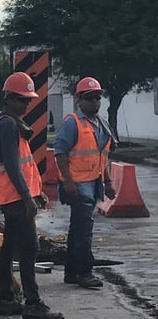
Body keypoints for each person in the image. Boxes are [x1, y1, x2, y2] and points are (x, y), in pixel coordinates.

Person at [0, 72, 64, 319]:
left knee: (10, 247)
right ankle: (32, 303)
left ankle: (8, 300)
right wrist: (26, 197)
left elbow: (24, 165)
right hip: (15, 198)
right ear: (8, 99)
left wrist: (35, 192)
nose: (26, 105)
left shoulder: (11, 122)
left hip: (15, 196)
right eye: (22, 100)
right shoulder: (8, 124)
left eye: (28, 100)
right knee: (30, 248)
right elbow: (12, 165)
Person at [54, 77, 116, 289]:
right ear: (79, 99)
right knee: (84, 230)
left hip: (94, 183)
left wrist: (108, 181)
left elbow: (102, 157)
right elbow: (60, 153)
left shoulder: (102, 124)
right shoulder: (72, 123)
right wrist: (68, 182)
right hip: (78, 184)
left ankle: (72, 272)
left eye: (98, 98)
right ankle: (84, 272)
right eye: (90, 98)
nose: (95, 102)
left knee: (78, 229)